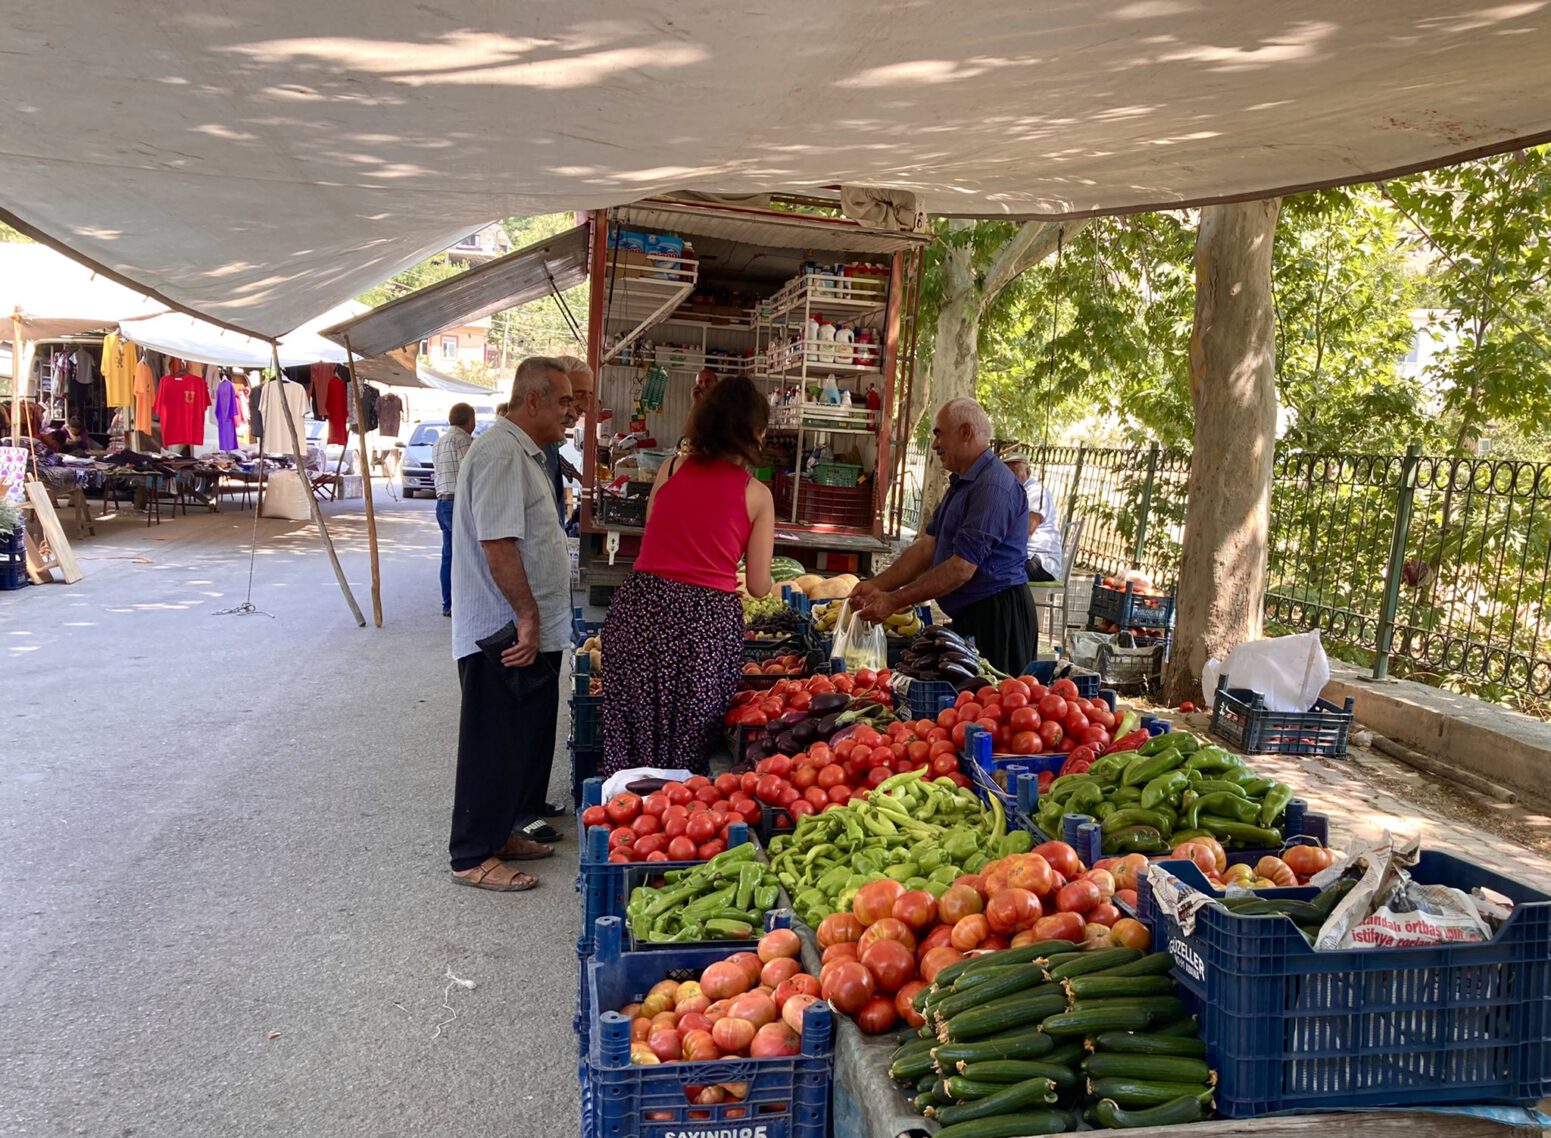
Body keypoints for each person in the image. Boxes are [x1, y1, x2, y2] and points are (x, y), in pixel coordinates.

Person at [601, 374, 775, 777]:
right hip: (705, 622)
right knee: (687, 743)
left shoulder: (672, 468)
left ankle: (620, 817)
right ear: (756, 434)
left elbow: (653, 535)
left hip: (640, 607)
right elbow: (760, 585)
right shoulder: (756, 494)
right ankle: (673, 821)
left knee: (633, 730)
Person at [446, 358, 575, 892]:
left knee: (516, 739)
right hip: (501, 631)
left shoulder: (524, 453)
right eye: (565, 401)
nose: (572, 412)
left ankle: (499, 833)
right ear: (534, 401)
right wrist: (526, 615)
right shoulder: (501, 453)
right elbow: (498, 545)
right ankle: (472, 854)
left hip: (524, 629)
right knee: (492, 741)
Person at [853, 398, 1037, 674]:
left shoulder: (992, 487)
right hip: (973, 613)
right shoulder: (964, 482)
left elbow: (961, 568)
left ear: (965, 433)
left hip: (999, 619)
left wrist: (894, 600)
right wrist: (879, 586)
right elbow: (929, 546)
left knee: (992, 706)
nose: (935, 445)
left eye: (939, 434)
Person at [432, 403, 475, 617]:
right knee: (467, 555)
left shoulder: (439, 442)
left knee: (448, 555)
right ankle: (462, 603)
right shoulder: (464, 440)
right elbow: (471, 472)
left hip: (441, 502)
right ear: (470, 421)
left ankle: (448, 603)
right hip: (458, 502)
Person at [1005, 454, 1064, 583]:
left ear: (1028, 471)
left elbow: (1027, 529)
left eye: (1014, 471)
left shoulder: (1035, 492)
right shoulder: (1015, 492)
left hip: (1041, 562)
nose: (1009, 475)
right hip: (1024, 556)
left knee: (998, 572)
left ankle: (1016, 603)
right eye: (1006, 471)